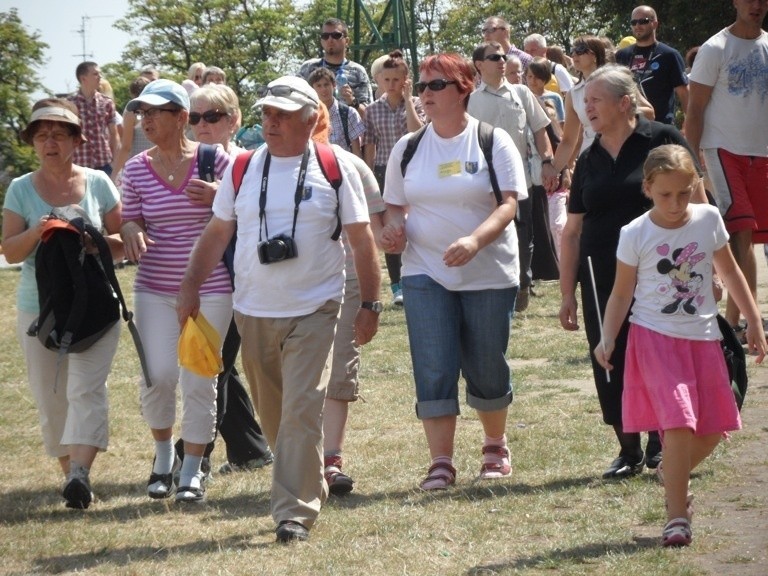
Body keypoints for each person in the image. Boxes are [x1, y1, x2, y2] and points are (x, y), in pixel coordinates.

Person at [176, 75, 381, 543]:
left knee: (301, 409)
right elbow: (218, 231)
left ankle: (293, 512)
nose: (271, 121)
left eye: (282, 114)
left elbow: (362, 240)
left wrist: (370, 302)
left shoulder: (334, 166)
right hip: (253, 311)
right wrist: (191, 284)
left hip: (316, 308)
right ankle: (309, 478)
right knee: (275, 414)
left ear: (311, 120)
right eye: (267, 112)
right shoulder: (243, 167)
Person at [594, 144, 766, 547]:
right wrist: (607, 336)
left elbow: (730, 271)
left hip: (703, 338)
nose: (675, 203)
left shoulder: (707, 220)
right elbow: (621, 294)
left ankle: (672, 475)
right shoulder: (635, 233)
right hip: (654, 339)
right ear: (649, 189)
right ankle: (676, 517)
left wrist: (754, 319)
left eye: (684, 192)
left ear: (695, 186)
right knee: (678, 424)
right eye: (665, 194)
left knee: (713, 429)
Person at [380, 53, 527, 491]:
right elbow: (394, 205)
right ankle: (441, 462)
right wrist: (394, 231)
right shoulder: (407, 149)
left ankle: (494, 445)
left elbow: (509, 204)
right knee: (434, 364)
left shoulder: (491, 140)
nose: (425, 94)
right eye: (421, 86)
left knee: (485, 363)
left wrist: (475, 241)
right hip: (424, 271)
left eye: (436, 85)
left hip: (488, 272)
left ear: (464, 88)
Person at [558, 65, 709, 479]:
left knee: (660, 356)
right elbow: (572, 231)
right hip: (601, 272)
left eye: (595, 100)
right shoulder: (588, 157)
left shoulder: (661, 138)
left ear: (624, 102)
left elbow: (698, 203)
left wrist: (705, 266)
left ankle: (664, 442)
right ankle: (628, 448)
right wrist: (567, 293)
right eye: (584, 101)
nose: (586, 108)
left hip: (664, 272)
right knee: (610, 352)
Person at [2, 98, 123, 509]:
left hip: (96, 307)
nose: (49, 142)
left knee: (86, 390)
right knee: (51, 396)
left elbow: (123, 243)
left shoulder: (98, 183)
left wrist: (94, 241)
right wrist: (40, 230)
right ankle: (71, 476)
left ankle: (79, 473)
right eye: (41, 135)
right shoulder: (20, 189)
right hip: (41, 310)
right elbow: (11, 252)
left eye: (58, 134)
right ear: (33, 143)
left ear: (76, 139)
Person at [120, 79, 232, 504]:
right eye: (142, 113)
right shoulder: (134, 169)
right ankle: (163, 457)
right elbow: (130, 220)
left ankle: (192, 471)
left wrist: (221, 193)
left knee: (200, 378)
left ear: (182, 117)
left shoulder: (213, 159)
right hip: (154, 287)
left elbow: (241, 206)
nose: (145, 119)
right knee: (159, 377)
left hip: (212, 288)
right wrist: (129, 226)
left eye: (155, 112)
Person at [186, 83, 274, 474]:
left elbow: (268, 207)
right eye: (194, 118)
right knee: (220, 362)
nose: (202, 125)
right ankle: (250, 449)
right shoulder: (183, 163)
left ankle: (193, 453)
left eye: (212, 116)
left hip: (240, 278)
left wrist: (221, 195)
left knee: (215, 361)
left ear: (234, 120)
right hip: (196, 279)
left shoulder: (251, 162)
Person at [309, 101, 385, 495]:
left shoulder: (349, 164)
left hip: (345, 281)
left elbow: (374, 226)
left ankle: (330, 460)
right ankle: (301, 457)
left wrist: (371, 298)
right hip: (291, 285)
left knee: (339, 369)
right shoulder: (264, 164)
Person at [686, 0, 768, 340]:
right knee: (742, 230)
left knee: (747, 235)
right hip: (722, 151)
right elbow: (695, 111)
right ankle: (742, 324)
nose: (756, 5)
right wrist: (692, 163)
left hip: (762, 155)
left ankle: (734, 324)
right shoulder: (714, 48)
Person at [468, 42, 559, 313]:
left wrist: (547, 161)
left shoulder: (521, 92)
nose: (501, 61)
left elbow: (541, 129)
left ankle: (522, 284)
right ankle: (495, 284)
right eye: (494, 57)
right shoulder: (470, 100)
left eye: (503, 56)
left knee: (523, 233)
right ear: (479, 65)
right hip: (484, 182)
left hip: (520, 179)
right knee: (489, 233)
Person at [364, 50, 425, 306]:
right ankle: (397, 284)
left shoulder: (418, 103)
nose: (391, 85)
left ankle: (416, 274)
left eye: (396, 80)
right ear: (379, 81)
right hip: (382, 171)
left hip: (412, 170)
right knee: (391, 225)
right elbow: (369, 144)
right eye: (386, 80)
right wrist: (367, 176)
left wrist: (409, 101)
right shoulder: (372, 110)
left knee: (413, 224)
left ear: (405, 80)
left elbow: (417, 131)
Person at [551, 36, 654, 179]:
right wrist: (554, 170)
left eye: (580, 50)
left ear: (594, 55)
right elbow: (568, 140)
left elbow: (650, 113)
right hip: (591, 157)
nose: (574, 54)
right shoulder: (572, 94)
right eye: (572, 50)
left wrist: (619, 111)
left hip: (626, 149)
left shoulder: (618, 81)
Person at [614, 5, 689, 125]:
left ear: (655, 24)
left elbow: (684, 93)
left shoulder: (669, 55)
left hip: (661, 126)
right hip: (630, 128)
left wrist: (687, 123)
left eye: (643, 21)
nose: (637, 26)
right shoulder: (622, 55)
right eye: (634, 22)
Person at [298, 18, 373, 118]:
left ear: (347, 41)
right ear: (321, 41)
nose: (330, 40)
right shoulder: (308, 68)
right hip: (316, 128)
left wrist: (352, 101)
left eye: (336, 35)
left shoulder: (357, 71)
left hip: (348, 131)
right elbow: (295, 103)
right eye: (325, 36)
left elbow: (369, 115)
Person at [68, 61, 120, 175]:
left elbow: (114, 134)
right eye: (95, 74)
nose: (100, 77)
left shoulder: (107, 102)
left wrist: (115, 163)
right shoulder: (69, 104)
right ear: (83, 78)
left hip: (104, 164)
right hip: (79, 164)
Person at [308, 67, 365, 156]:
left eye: (326, 84)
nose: (323, 89)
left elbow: (356, 151)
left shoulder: (348, 113)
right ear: (312, 89)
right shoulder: (309, 115)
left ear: (334, 85)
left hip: (343, 165)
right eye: (318, 86)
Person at [110, 76, 153, 184]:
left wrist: (114, 174)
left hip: (139, 166)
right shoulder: (159, 110)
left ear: (132, 93)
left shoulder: (132, 111)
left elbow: (126, 147)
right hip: (159, 162)